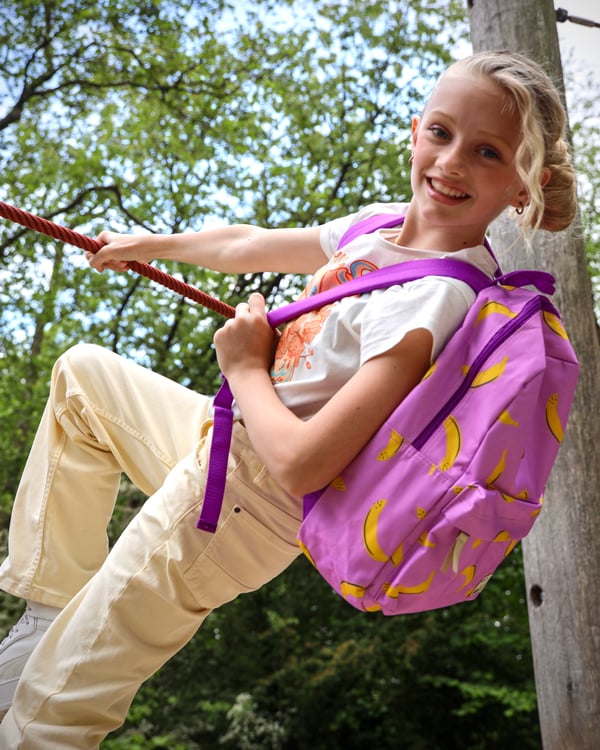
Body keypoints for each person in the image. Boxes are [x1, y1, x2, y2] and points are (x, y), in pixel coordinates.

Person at [0, 50, 576, 747]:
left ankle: (41, 686)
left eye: (487, 152)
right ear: (417, 129)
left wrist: (245, 368)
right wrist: (147, 245)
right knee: (83, 379)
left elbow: (303, 464)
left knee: (55, 705)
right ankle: (48, 606)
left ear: (524, 186)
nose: (452, 162)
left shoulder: (434, 299)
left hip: (242, 508)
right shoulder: (378, 229)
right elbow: (247, 242)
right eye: (442, 133)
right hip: (220, 447)